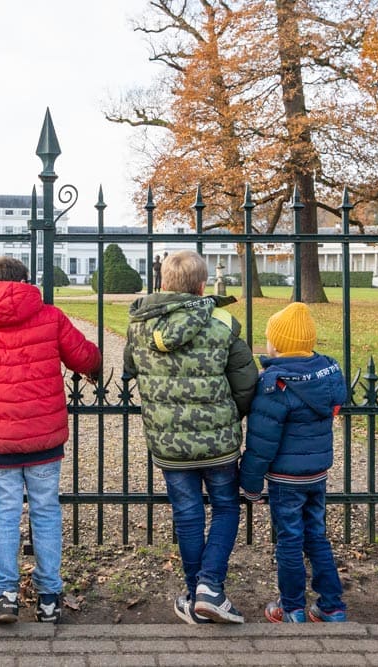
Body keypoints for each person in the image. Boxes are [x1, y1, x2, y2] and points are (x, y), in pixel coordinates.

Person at [0, 256, 101, 624]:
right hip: (43, 438)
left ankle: (5, 594)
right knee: (46, 511)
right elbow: (84, 357)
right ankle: (49, 596)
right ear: (25, 281)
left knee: (3, 514)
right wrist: (95, 364)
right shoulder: (50, 316)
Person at [123, 250, 257, 624]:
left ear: (164, 283)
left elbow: (129, 370)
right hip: (219, 443)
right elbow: (247, 384)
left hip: (168, 443)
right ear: (201, 286)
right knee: (226, 507)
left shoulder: (140, 325)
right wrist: (231, 415)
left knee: (187, 513)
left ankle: (194, 588)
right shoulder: (223, 322)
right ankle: (210, 587)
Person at [240, 302, 348, 623]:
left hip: (285, 478)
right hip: (316, 474)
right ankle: (331, 605)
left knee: (289, 538)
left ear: (279, 344)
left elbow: (261, 442)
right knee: (315, 534)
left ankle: (292, 607)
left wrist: (250, 483)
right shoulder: (327, 375)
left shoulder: (276, 384)